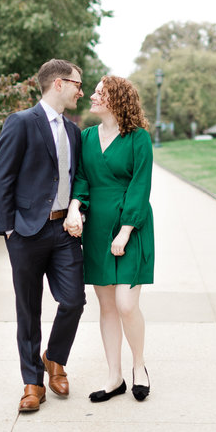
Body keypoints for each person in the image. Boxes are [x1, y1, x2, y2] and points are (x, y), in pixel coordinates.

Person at [0, 58, 87, 413]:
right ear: (58, 84)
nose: (81, 90)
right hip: (26, 233)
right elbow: (2, 178)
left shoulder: (74, 132)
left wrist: (77, 210)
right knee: (28, 310)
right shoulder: (21, 122)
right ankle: (32, 383)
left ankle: (55, 358)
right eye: (78, 83)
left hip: (63, 230)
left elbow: (78, 177)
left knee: (74, 300)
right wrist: (10, 229)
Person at [64, 75, 154, 402]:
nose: (92, 96)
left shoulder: (138, 139)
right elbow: (82, 181)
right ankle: (114, 377)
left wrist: (127, 230)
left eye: (100, 93)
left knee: (126, 304)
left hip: (132, 224)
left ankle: (139, 367)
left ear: (116, 99)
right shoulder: (86, 137)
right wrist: (76, 208)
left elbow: (140, 186)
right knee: (107, 307)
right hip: (98, 227)